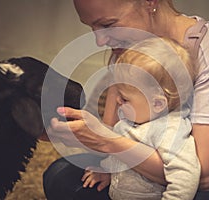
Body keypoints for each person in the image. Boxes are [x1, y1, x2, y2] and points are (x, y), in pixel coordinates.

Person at [43, 0, 209, 199]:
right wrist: (83, 135)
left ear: (150, 2)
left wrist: (104, 140)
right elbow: (115, 133)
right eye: (91, 27)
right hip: (144, 174)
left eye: (108, 24)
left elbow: (203, 176)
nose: (99, 41)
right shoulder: (127, 48)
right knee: (60, 176)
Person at [81, 37, 200, 200]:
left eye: (124, 98)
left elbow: (185, 175)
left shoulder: (170, 130)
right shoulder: (131, 122)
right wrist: (107, 172)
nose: (117, 101)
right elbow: (122, 159)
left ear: (157, 103)